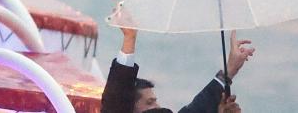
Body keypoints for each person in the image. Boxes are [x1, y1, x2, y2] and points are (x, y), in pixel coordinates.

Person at [100, 27, 255, 113]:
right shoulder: (119, 105)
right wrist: (129, 38)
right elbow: (116, 100)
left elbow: (196, 109)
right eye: (149, 103)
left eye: (154, 101)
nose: (157, 106)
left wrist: (229, 72)